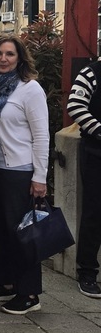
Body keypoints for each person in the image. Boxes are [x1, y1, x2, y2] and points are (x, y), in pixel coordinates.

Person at [0, 35, 49, 315]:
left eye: (9, 54)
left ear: (20, 58)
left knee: (21, 233)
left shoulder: (30, 89)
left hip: (19, 170)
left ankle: (28, 292)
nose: (3, 59)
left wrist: (39, 177)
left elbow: (42, 135)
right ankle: (5, 282)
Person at [67, 62, 101, 297]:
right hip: (97, 153)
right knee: (94, 213)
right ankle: (87, 271)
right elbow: (76, 106)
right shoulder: (92, 73)